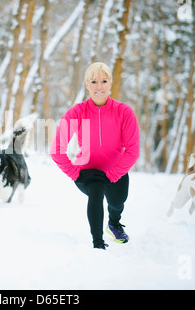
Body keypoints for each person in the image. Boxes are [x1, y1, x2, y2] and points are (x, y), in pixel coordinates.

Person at [50, 62, 140, 250]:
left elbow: (133, 150)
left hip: (116, 171)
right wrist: (75, 173)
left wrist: (114, 174)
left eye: (104, 81)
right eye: (94, 81)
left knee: (117, 203)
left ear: (110, 84)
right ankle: (98, 243)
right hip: (87, 172)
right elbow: (57, 149)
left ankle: (114, 224)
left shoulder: (124, 112)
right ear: (86, 84)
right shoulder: (77, 112)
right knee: (96, 193)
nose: (99, 86)